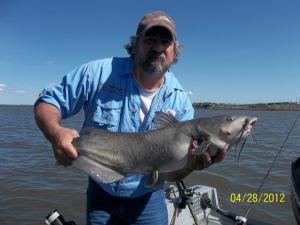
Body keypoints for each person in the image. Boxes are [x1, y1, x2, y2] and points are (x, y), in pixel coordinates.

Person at [34, 11, 226, 225]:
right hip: (100, 194)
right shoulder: (97, 73)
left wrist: (192, 164)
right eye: (150, 39)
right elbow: (48, 101)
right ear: (135, 45)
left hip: (148, 199)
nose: (158, 47)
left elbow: (173, 174)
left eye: (165, 41)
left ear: (175, 51)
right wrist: (55, 132)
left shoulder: (180, 103)